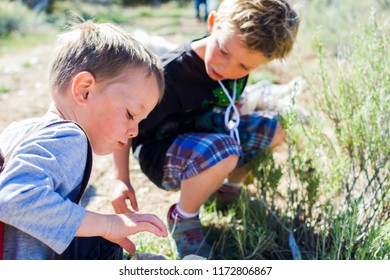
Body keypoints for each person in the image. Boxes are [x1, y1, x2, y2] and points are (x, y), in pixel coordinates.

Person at [112, 0, 300, 259]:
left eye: (244, 67)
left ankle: (226, 191)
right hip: (161, 153)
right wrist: (121, 179)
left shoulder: (235, 69)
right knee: (224, 150)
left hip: (210, 142)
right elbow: (123, 126)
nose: (227, 69)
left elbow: (230, 107)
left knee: (276, 126)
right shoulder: (168, 74)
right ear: (212, 24)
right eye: (223, 51)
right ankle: (184, 218)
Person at [0, 20, 167, 260]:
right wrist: (108, 225)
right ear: (84, 90)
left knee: (96, 240)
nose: (134, 131)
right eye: (131, 114)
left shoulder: (19, 129)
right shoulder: (70, 137)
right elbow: (13, 197)